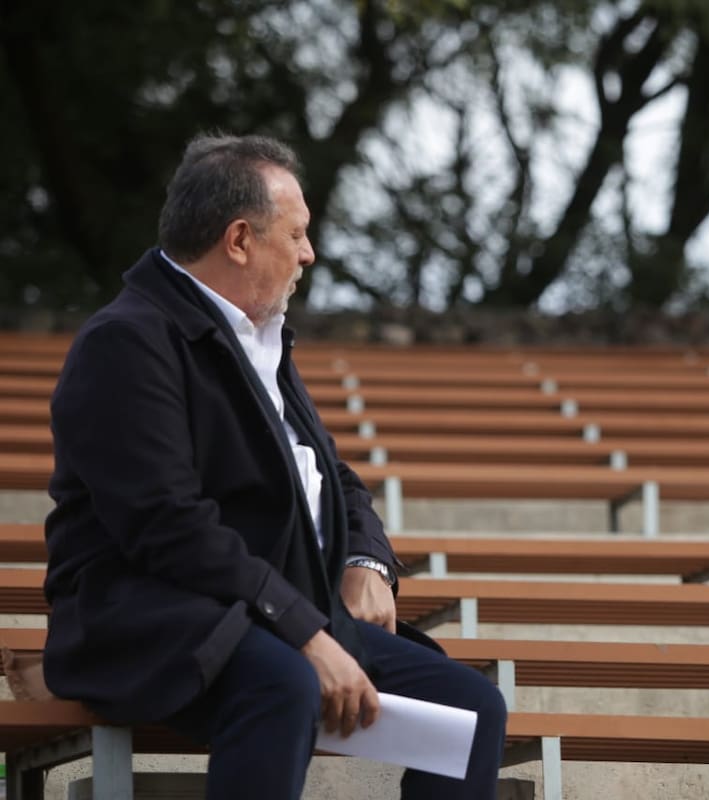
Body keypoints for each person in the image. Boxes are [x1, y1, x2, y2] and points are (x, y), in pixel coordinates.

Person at [43, 133, 507, 799]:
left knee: (470, 709)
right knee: (283, 679)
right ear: (239, 240)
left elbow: (334, 477)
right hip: (151, 620)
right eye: (297, 234)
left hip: (275, 613)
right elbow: (167, 525)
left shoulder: (258, 338)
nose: (309, 254)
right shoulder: (127, 341)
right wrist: (305, 635)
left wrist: (369, 562)